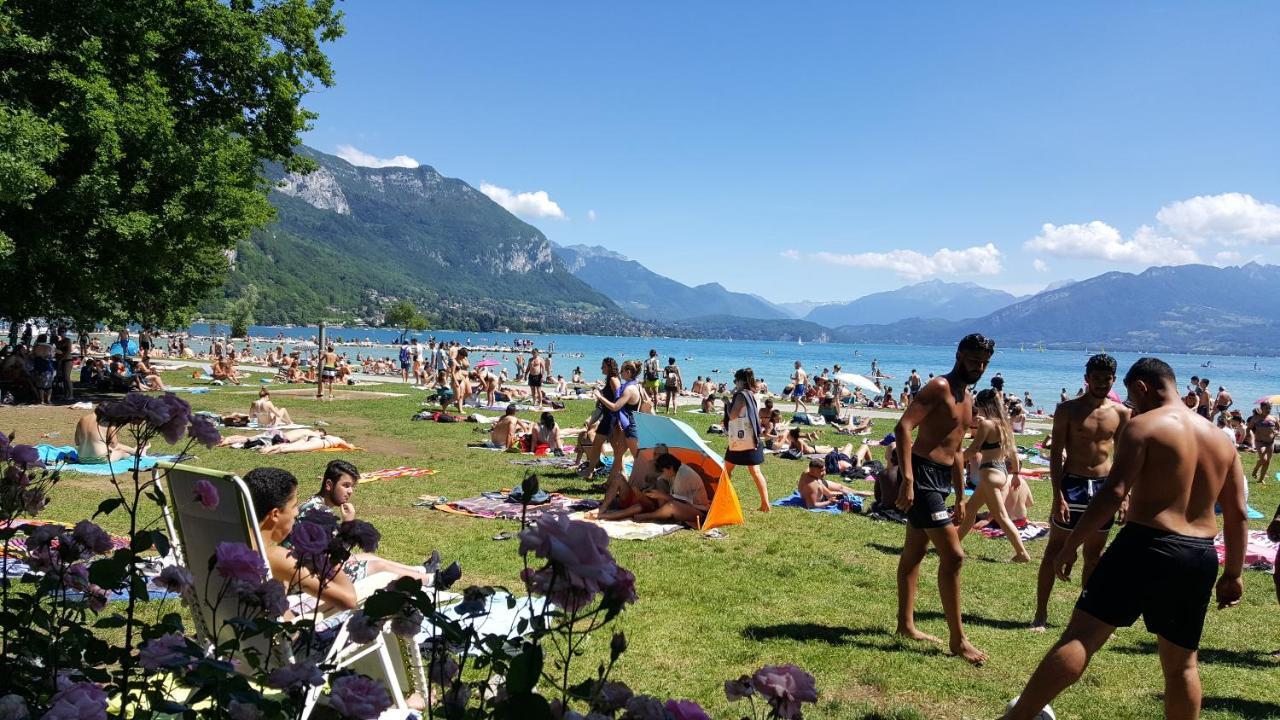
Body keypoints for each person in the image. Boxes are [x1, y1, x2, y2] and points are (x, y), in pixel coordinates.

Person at [1002, 358, 1246, 720]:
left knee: (1082, 636)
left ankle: (1016, 719)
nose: (1132, 404)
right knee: (1182, 666)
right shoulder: (1220, 439)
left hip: (1146, 543)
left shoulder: (1143, 426)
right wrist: (1234, 574)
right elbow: (1238, 513)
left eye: (1133, 397)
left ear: (1143, 388)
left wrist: (1071, 545)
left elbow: (1114, 492)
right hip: (1198, 554)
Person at [894, 333, 994, 665]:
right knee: (954, 557)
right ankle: (958, 640)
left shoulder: (968, 399)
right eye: (973, 359)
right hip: (921, 475)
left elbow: (957, 452)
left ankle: (906, 625)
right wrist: (908, 477)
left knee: (914, 553)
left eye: (984, 362)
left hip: (941, 480)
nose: (978, 367)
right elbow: (904, 427)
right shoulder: (939, 387)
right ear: (959, 355)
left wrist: (962, 495)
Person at [1030, 354, 1130, 630]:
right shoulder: (1068, 410)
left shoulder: (1121, 413)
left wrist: (1124, 496)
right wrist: (1057, 495)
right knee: (1055, 549)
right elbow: (1055, 454)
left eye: (1106, 379)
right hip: (1072, 483)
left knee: (1094, 555)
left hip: (1103, 487)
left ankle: (1087, 619)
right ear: (1086, 379)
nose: (1100, 383)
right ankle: (1041, 614)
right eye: (1095, 378)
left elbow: (1123, 457)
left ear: (1113, 380)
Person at [294, 460, 433, 583]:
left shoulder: (313, 504)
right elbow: (334, 557)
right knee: (379, 567)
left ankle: (421, 570)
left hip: (313, 566)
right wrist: (348, 525)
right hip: (314, 576)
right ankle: (433, 581)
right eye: (346, 485)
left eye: (352, 486)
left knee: (367, 556)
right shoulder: (318, 513)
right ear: (329, 485)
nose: (350, 491)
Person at [957, 389, 1029, 562]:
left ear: (983, 406)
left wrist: (956, 459)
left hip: (989, 473)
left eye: (978, 406)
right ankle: (954, 543)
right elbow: (1013, 453)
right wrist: (1017, 474)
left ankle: (1022, 553)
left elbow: (974, 449)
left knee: (1001, 516)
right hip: (1001, 471)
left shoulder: (986, 425)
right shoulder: (1005, 425)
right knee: (971, 509)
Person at [724, 367, 770, 512]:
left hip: (739, 440)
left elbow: (733, 415)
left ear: (740, 381)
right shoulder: (751, 394)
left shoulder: (741, 395)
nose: (734, 384)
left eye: (735, 381)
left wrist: (726, 403)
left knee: (726, 470)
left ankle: (721, 498)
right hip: (752, 439)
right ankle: (765, 503)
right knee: (755, 472)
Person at [594, 360, 643, 487]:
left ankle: (639, 485)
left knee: (638, 460)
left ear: (628, 372)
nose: (620, 373)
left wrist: (600, 397)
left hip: (631, 427)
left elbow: (615, 407)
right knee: (618, 455)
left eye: (622, 371)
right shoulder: (636, 385)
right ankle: (608, 484)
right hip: (627, 426)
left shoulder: (630, 389)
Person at [76, 411, 142, 463]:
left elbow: (77, 442)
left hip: (81, 458)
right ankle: (137, 452)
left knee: (111, 449)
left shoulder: (82, 419)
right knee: (122, 453)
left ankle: (135, 451)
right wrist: (133, 451)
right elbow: (114, 445)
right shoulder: (106, 421)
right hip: (101, 458)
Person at [1247, 401, 1277, 484]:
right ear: (1261, 408)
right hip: (1260, 442)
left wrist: (1277, 432)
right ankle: (1256, 469)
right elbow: (1248, 428)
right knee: (1264, 459)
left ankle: (1261, 479)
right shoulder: (1256, 418)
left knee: (1267, 462)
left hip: (1271, 442)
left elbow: (1278, 428)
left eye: (1270, 408)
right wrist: (1248, 435)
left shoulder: (1273, 418)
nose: (1268, 410)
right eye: (1266, 408)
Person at [258, 429, 357, 455]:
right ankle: (277, 450)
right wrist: (350, 445)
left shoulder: (329, 436)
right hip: (320, 443)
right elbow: (347, 446)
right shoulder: (336, 439)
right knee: (297, 448)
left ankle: (270, 448)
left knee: (292, 445)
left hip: (310, 437)